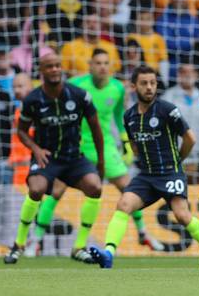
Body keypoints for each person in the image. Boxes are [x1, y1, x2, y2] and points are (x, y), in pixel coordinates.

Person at [25, 49, 163, 257]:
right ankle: (35, 240)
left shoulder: (117, 88)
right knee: (55, 192)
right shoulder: (78, 86)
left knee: (129, 189)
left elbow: (119, 118)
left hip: (104, 146)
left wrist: (126, 140)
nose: (102, 67)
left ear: (111, 66)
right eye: (98, 63)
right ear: (90, 65)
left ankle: (143, 233)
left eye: (106, 63)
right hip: (77, 146)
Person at [89, 65, 199, 268]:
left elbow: (190, 138)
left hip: (170, 173)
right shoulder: (129, 116)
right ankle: (108, 253)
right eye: (144, 83)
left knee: (181, 214)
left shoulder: (167, 109)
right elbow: (134, 145)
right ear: (134, 86)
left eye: (152, 83)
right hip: (147, 175)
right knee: (124, 204)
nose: (149, 87)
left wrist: (178, 159)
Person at [4, 51, 104, 264]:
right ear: (41, 71)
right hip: (47, 158)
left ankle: (79, 247)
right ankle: (19, 243)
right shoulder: (33, 99)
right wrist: (35, 148)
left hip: (74, 158)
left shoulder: (79, 95)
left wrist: (101, 161)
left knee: (95, 187)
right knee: (36, 190)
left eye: (58, 65)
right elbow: (21, 130)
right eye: (49, 66)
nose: (55, 69)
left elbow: (96, 128)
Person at [162, 64, 199, 182]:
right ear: (178, 75)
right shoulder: (168, 97)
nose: (188, 75)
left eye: (191, 72)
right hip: (175, 153)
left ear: (196, 75)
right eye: (183, 72)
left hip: (198, 155)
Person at [60, 11, 121, 77]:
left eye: (95, 22)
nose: (92, 25)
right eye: (88, 22)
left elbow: (116, 71)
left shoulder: (111, 47)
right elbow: (64, 71)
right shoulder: (70, 46)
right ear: (82, 25)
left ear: (101, 25)